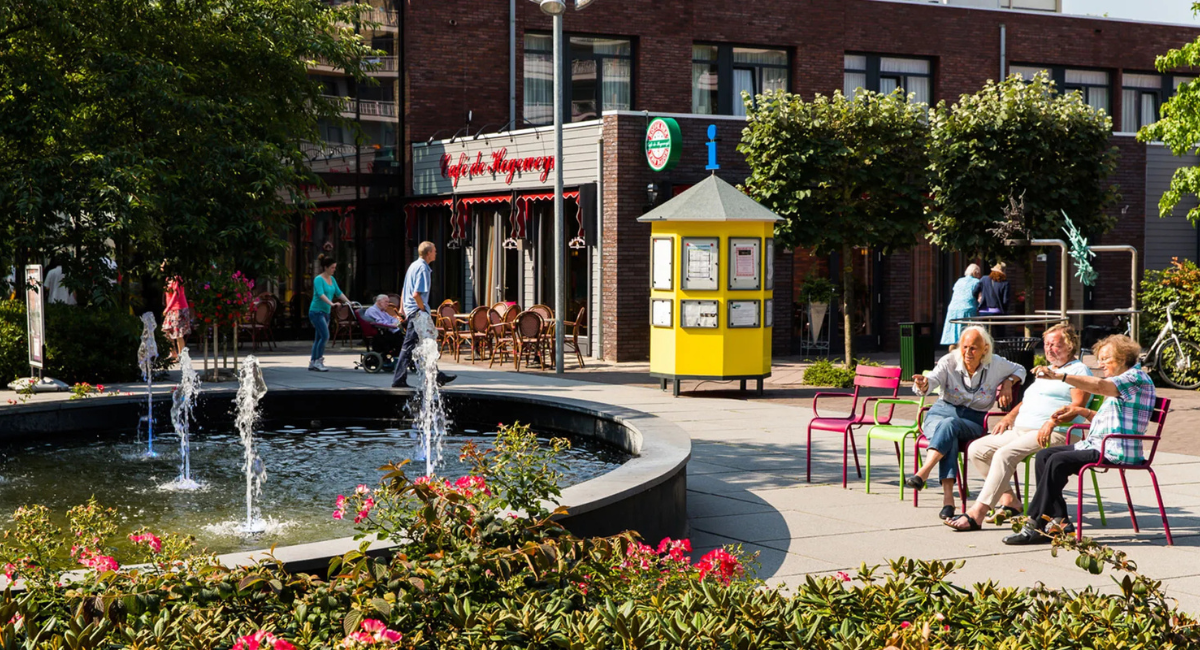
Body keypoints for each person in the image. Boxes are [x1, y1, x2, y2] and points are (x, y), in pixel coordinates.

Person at [1003, 335, 1156, 545]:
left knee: (1058, 461)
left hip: (1117, 448)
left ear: (1123, 358)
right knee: (1045, 455)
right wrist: (1081, 411)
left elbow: (1100, 387)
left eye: (1106, 358)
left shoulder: (1134, 378)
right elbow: (1106, 420)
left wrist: (1060, 376)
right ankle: (1060, 521)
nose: (1100, 364)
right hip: (1101, 442)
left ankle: (1034, 522)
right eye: (1099, 358)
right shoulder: (1122, 382)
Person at [944, 324, 1092, 531]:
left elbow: (1077, 407)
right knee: (977, 450)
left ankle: (977, 512)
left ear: (1069, 346)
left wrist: (1051, 422)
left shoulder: (1078, 371)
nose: (1049, 349)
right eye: (1047, 344)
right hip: (1022, 430)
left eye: (1055, 345)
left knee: (1005, 454)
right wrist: (1009, 416)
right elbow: (1028, 400)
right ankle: (1010, 501)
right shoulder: (1046, 372)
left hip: (1056, 432)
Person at [906, 326, 1026, 520]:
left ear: (985, 349)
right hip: (940, 412)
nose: (967, 352)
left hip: (973, 420)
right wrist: (924, 384)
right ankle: (947, 500)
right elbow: (933, 380)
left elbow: (1020, 369)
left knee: (949, 427)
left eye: (973, 348)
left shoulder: (996, 363)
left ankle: (925, 473)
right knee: (948, 430)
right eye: (964, 347)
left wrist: (1008, 383)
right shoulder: (949, 361)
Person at [392, 242, 456, 388]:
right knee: (409, 347)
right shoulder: (423, 269)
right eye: (434, 251)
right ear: (428, 253)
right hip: (417, 312)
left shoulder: (413, 266)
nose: (436, 253)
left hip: (411, 311)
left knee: (426, 343)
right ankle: (398, 380)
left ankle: (437, 376)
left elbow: (405, 288)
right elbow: (416, 294)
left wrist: (402, 309)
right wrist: (423, 311)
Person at [309, 255, 352, 372]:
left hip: (326, 312)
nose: (334, 270)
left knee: (318, 338)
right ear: (326, 267)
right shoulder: (318, 279)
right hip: (316, 311)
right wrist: (332, 304)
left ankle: (313, 362)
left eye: (335, 267)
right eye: (332, 268)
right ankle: (318, 361)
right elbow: (320, 294)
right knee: (325, 336)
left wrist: (349, 302)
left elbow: (338, 292)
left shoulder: (332, 279)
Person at [940, 264, 983, 349]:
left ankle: (952, 352)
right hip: (968, 309)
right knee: (968, 335)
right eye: (979, 273)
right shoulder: (977, 282)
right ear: (975, 273)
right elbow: (980, 298)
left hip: (953, 310)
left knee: (954, 337)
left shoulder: (959, 281)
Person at [161, 265, 192, 362]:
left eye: (163, 265)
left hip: (179, 309)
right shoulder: (167, 279)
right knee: (167, 331)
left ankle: (182, 355)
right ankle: (173, 353)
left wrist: (167, 308)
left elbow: (176, 295)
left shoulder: (177, 279)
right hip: (171, 309)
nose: (161, 266)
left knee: (179, 333)